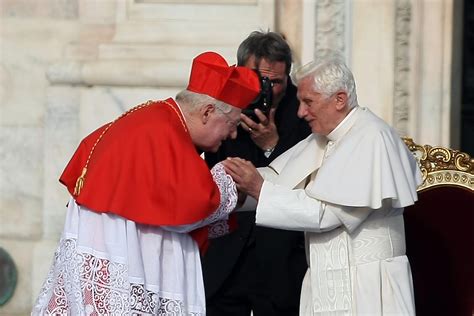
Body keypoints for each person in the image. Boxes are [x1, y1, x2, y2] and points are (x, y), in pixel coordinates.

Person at [31, 51, 260, 316]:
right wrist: (231, 182)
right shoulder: (164, 133)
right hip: (119, 262)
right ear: (208, 112)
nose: (232, 134)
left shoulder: (158, 119)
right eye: (231, 124)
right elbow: (193, 204)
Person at [222, 54, 423, 315]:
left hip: (369, 286)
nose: (301, 112)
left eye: (308, 102)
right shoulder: (323, 137)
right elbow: (282, 181)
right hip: (322, 278)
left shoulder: (373, 137)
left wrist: (258, 189)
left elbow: (326, 213)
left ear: (339, 99)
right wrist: (235, 190)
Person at [202, 31, 311, 316]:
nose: (267, 89)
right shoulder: (219, 107)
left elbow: (306, 181)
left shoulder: (304, 112)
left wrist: (272, 146)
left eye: (276, 81)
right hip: (225, 257)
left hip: (280, 260)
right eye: (258, 79)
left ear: (288, 78)